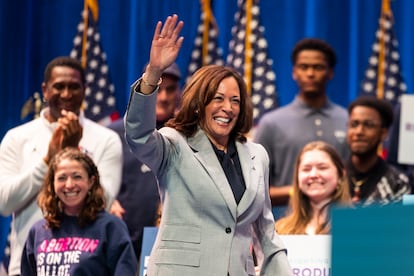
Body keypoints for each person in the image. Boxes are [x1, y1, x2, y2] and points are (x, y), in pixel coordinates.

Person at [124, 14, 292, 275]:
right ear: (199, 103)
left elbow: (266, 233)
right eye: (218, 98)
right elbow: (138, 135)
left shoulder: (256, 155)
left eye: (235, 100)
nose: (228, 108)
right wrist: (153, 73)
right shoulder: (174, 144)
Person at [0, 56, 122, 276]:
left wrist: (74, 152)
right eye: (59, 87)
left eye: (74, 87)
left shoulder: (107, 139)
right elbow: (5, 203)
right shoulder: (16, 138)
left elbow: (103, 203)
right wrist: (48, 160)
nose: (66, 94)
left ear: (85, 90)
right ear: (45, 90)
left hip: (88, 268)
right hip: (28, 266)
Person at [254, 38, 349, 217]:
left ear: (330, 73)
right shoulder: (271, 123)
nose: (311, 73)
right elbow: (256, 189)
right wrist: (303, 189)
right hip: (285, 229)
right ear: (294, 72)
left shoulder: (348, 121)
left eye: (318, 67)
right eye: (304, 67)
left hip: (340, 228)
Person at [21, 147, 137, 275]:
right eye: (62, 178)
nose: (69, 185)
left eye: (77, 177)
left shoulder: (111, 227)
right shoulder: (38, 231)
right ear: (52, 183)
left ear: (91, 181)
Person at [108, 62, 182, 260]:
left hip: (174, 243)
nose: (164, 97)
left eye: (171, 89)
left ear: (180, 92)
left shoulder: (186, 134)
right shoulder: (114, 134)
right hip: (123, 243)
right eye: (158, 89)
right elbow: (93, 177)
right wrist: (105, 198)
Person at [275, 141, 352, 235]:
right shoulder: (281, 229)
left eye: (322, 168)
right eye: (306, 169)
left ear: (341, 174)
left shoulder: (356, 225)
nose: (313, 175)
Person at [346, 96, 411, 205]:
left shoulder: (399, 182)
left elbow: (405, 221)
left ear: (383, 133)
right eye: (354, 124)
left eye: (368, 125)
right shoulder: (333, 176)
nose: (359, 132)